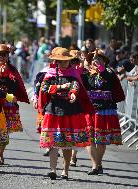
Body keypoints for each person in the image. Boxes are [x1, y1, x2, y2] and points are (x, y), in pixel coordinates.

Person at [38, 47, 94, 180]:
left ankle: (65, 170)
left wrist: (74, 94)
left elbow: (76, 85)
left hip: (70, 111)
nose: (62, 64)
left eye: (65, 61)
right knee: (53, 142)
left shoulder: (73, 73)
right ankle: (52, 170)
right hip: (53, 110)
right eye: (59, 61)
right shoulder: (50, 74)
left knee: (67, 144)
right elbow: (44, 88)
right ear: (55, 62)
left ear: (69, 61)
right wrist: (60, 87)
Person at [0, 44, 29, 166]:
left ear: (8, 56)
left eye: (4, 55)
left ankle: (1, 153)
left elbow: (16, 87)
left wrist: (6, 77)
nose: (1, 58)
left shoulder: (13, 70)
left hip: (9, 104)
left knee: (5, 131)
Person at [81, 49, 125, 175]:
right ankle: (95, 166)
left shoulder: (109, 73)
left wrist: (101, 69)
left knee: (101, 139)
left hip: (105, 109)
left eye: (99, 59)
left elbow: (109, 81)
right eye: (94, 59)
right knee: (90, 139)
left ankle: (98, 163)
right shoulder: (86, 74)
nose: (96, 61)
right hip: (90, 109)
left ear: (105, 61)